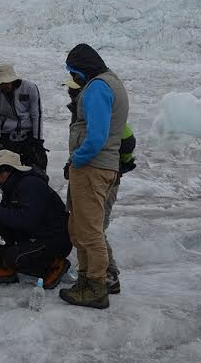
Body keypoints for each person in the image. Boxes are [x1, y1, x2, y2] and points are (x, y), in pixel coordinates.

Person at [59, 44, 129, 309]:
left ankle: (96, 288)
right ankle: (86, 282)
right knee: (80, 229)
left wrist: (77, 159)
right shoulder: (109, 82)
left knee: (89, 232)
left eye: (74, 73)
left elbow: (96, 136)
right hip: (98, 167)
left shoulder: (98, 87)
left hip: (92, 167)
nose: (74, 79)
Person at [0, 150, 72, 289]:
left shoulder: (31, 184)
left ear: (12, 171)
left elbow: (28, 219)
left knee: (14, 257)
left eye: (0, 172)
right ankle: (5, 266)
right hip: (35, 232)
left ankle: (55, 263)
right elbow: (8, 214)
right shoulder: (12, 185)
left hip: (53, 239)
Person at [0, 63, 46, 170]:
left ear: (13, 80)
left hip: (29, 137)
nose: (3, 85)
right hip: (6, 139)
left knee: (37, 171)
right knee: (8, 175)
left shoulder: (30, 88)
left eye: (6, 82)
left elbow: (37, 116)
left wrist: (38, 141)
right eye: (0, 83)